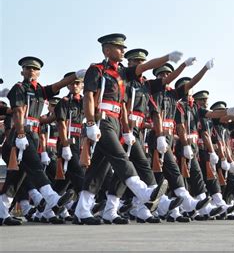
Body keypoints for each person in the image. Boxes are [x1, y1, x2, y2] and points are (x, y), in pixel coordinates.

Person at [73, 33, 182, 225]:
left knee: (98, 169)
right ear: (107, 50)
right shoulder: (96, 70)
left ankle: (83, 210)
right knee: (120, 157)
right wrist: (90, 122)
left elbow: (143, 69)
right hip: (102, 120)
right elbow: (88, 97)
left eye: (124, 47)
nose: (123, 50)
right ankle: (144, 191)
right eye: (119, 47)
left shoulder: (123, 73)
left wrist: (166, 58)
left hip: (115, 122)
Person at [0, 56, 81, 226]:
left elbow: (58, 85)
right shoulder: (19, 88)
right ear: (22, 71)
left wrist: (75, 76)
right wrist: (21, 134)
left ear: (39, 73)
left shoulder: (41, 91)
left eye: (35, 69)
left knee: (16, 178)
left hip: (33, 135)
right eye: (28, 68)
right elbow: (18, 112)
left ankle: (1, 212)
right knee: (36, 167)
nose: (31, 71)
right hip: (21, 134)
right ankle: (52, 199)